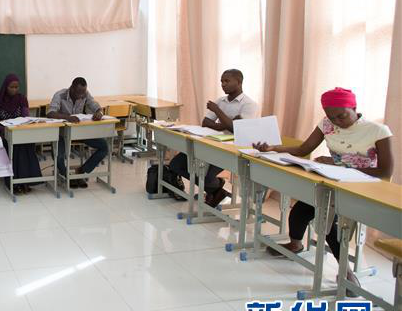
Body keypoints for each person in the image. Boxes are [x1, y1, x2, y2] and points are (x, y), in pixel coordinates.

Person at [253, 87, 393, 292]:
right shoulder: (327, 124)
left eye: (341, 116)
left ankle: (345, 271)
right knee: (300, 211)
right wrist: (273, 148)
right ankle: (295, 244)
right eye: (331, 117)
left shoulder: (378, 131)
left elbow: (385, 171)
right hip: (332, 182)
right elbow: (303, 149)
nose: (336, 121)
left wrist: (341, 165)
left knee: (328, 221)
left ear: (354, 108)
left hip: (361, 188)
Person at [168, 69, 259, 207]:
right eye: (221, 81)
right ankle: (217, 189)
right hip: (211, 142)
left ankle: (213, 189)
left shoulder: (249, 104)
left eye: (227, 81)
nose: (223, 84)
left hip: (231, 149)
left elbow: (238, 130)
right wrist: (228, 124)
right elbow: (205, 122)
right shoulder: (221, 100)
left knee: (205, 176)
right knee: (176, 164)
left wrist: (217, 111)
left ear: (239, 82)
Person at [46, 77, 107, 188]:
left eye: (83, 93)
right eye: (78, 93)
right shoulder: (60, 95)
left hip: (79, 132)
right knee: (59, 155)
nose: (81, 96)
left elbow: (96, 106)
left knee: (104, 147)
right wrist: (67, 117)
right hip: (61, 133)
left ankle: (81, 171)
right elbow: (50, 113)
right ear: (72, 88)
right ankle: (67, 176)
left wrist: (99, 112)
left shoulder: (85, 93)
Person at [0, 73, 42, 195]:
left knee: (26, 144)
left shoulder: (22, 99)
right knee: (13, 146)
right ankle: (14, 182)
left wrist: (20, 126)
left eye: (16, 87)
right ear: (5, 87)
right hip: (3, 134)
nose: (14, 90)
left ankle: (26, 181)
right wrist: (5, 129)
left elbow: (25, 117)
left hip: (19, 132)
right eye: (11, 87)